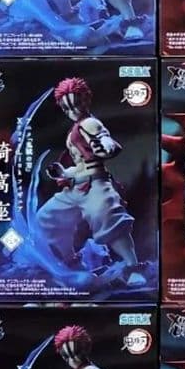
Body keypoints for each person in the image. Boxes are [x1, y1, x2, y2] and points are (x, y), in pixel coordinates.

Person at [35, 78, 144, 285]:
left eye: (76, 104)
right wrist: (63, 172)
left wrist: (107, 145)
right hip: (76, 187)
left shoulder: (89, 123)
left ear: (85, 100)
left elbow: (104, 138)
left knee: (109, 221)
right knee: (48, 218)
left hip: (96, 185)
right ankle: (71, 263)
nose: (72, 111)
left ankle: (132, 268)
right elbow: (80, 165)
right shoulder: (74, 130)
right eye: (67, 108)